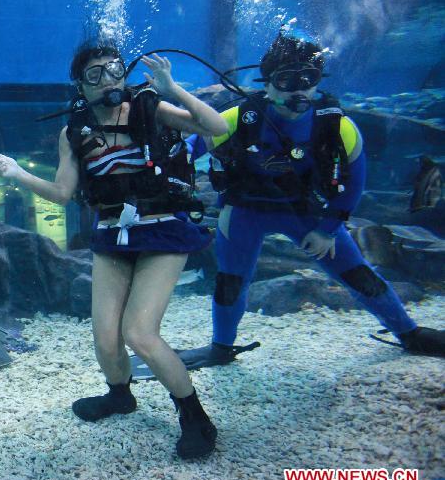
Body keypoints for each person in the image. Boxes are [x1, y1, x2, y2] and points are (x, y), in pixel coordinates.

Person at [0, 41, 228, 460]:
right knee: (105, 338)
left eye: (114, 70)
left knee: (139, 332)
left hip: (164, 230)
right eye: (94, 75)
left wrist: (172, 89)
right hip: (114, 235)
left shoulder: (148, 108)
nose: (107, 81)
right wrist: (18, 173)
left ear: (124, 73)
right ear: (80, 86)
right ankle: (120, 395)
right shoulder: (74, 133)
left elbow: (214, 127)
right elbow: (63, 193)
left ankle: (195, 417)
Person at [179, 27, 445, 368]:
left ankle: (409, 334)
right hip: (244, 210)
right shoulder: (241, 117)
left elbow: (354, 183)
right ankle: (221, 347)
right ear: (269, 82)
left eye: (308, 78)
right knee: (231, 281)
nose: (299, 90)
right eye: (288, 80)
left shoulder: (336, 126)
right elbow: (188, 147)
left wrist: (329, 230)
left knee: (357, 273)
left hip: (308, 215)